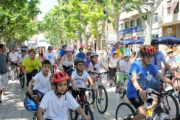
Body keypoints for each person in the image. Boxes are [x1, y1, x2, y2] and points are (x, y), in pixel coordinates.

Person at [126, 46, 180, 120]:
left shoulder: (151, 66)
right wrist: (140, 90)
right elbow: (134, 80)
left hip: (145, 91)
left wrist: (173, 84)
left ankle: (150, 117)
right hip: (133, 93)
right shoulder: (135, 65)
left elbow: (161, 76)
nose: (150, 59)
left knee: (156, 100)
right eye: (148, 57)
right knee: (142, 114)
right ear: (142, 56)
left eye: (151, 57)